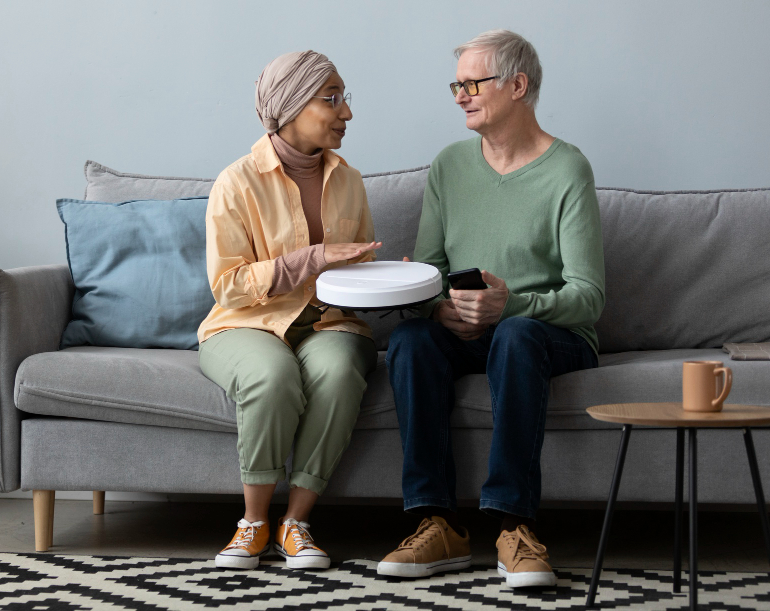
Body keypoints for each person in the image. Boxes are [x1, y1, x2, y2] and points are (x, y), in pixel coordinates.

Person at [377, 30, 605, 588]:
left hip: (546, 336)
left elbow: (589, 296)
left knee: (516, 335)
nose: (460, 95)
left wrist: (511, 305)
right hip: (467, 333)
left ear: (518, 85)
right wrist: (437, 308)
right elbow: (429, 270)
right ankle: (437, 523)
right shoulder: (449, 166)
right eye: (456, 85)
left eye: (473, 84)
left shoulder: (567, 169)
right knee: (409, 340)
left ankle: (514, 526)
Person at [198, 50, 380, 571]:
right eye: (332, 99)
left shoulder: (349, 180)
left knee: (339, 372)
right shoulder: (236, 182)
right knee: (271, 376)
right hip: (244, 323)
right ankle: (253, 523)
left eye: (345, 98)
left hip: (330, 323)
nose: (346, 112)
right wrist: (312, 259)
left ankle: (295, 523)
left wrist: (390, 280)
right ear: (293, 105)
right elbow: (228, 286)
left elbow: (357, 268)